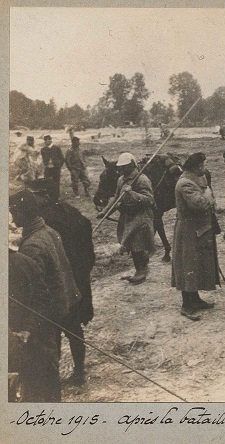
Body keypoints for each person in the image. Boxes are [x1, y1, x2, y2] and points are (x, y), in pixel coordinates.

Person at [9, 189, 81, 401]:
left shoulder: (32, 246)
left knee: (44, 359)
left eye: (13, 211)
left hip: (48, 312)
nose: (12, 217)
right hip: (64, 301)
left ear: (22, 212)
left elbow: (33, 292)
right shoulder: (47, 231)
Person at [172, 152, 219, 321]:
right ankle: (186, 305)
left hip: (198, 229)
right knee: (187, 265)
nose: (205, 168)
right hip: (188, 231)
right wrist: (208, 196)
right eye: (203, 165)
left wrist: (208, 195)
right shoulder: (185, 184)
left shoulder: (195, 180)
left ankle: (195, 299)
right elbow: (200, 204)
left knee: (196, 264)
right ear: (198, 167)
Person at [9, 248, 61, 402]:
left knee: (40, 391)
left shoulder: (22, 262)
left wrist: (28, 328)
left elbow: (42, 298)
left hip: (33, 343)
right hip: (14, 345)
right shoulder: (24, 261)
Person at [97, 152, 156, 284]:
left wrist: (131, 193)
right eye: (120, 167)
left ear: (132, 165)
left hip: (141, 215)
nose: (122, 170)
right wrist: (106, 212)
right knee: (130, 242)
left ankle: (141, 270)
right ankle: (140, 268)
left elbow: (150, 200)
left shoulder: (142, 179)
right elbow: (116, 199)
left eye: (125, 167)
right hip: (127, 216)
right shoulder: (121, 180)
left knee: (137, 243)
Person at [40, 135, 65, 202]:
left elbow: (62, 158)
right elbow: (42, 158)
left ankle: (57, 196)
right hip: (47, 169)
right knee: (48, 182)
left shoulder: (56, 148)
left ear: (51, 140)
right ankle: (50, 196)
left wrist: (59, 166)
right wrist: (45, 165)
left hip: (56, 168)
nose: (47, 141)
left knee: (56, 182)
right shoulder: (43, 149)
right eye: (45, 140)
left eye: (48, 140)